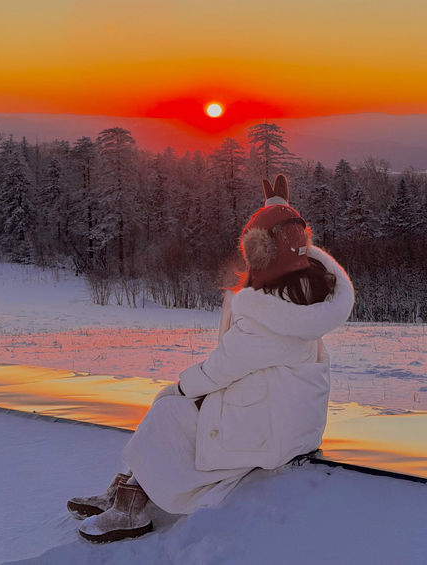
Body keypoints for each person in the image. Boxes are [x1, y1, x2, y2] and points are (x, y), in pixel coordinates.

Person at [67, 174, 355, 544]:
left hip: (273, 429)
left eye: (255, 248)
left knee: (169, 411)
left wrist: (179, 387)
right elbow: (299, 249)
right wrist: (278, 213)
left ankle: (132, 507)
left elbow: (222, 368)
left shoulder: (271, 314)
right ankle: (126, 489)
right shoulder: (307, 286)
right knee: (185, 408)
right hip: (290, 414)